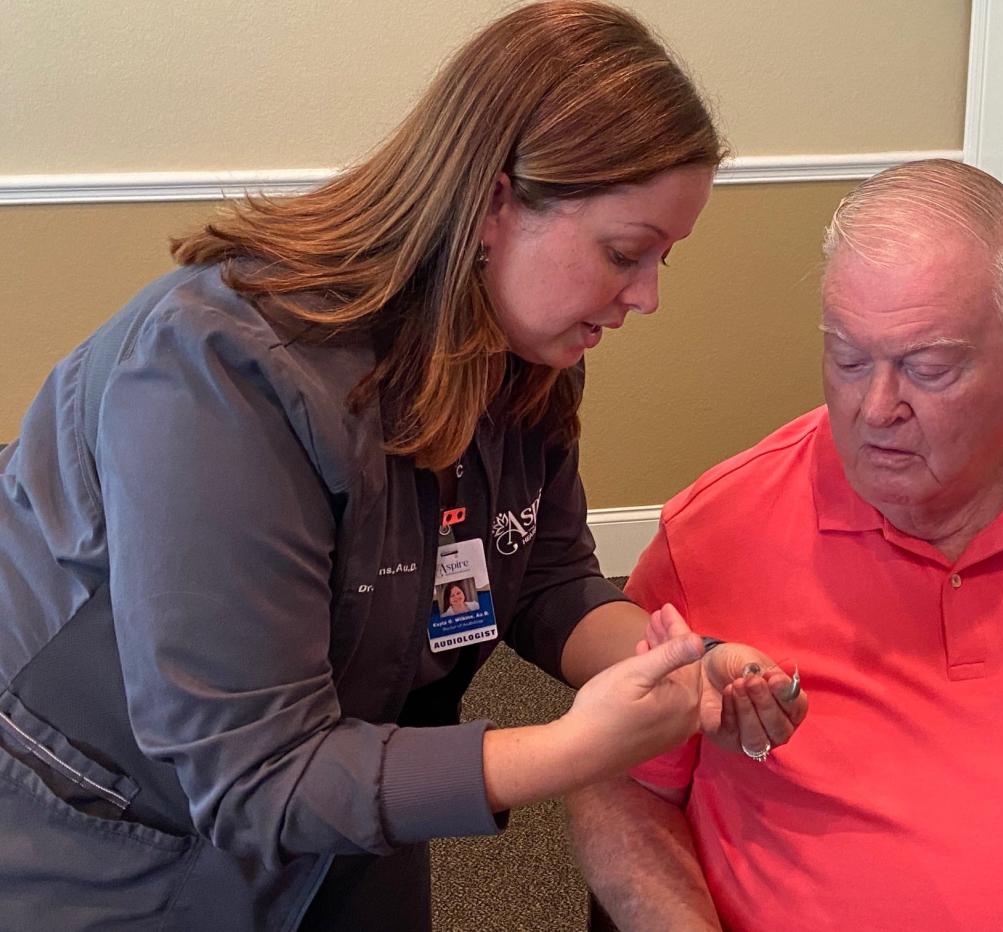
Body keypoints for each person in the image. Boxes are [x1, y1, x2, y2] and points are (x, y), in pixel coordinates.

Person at [0, 4, 807, 929]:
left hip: (344, 773)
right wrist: (572, 748)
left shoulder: (522, 350)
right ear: (496, 202)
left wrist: (684, 667)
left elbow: (541, 577)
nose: (649, 296)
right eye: (625, 254)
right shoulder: (219, 370)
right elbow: (257, 779)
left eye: (665, 258)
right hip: (117, 824)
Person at [568, 159, 1003, 931]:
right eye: (848, 359)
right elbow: (618, 780)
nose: (876, 408)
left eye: (928, 366)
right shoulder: (715, 534)